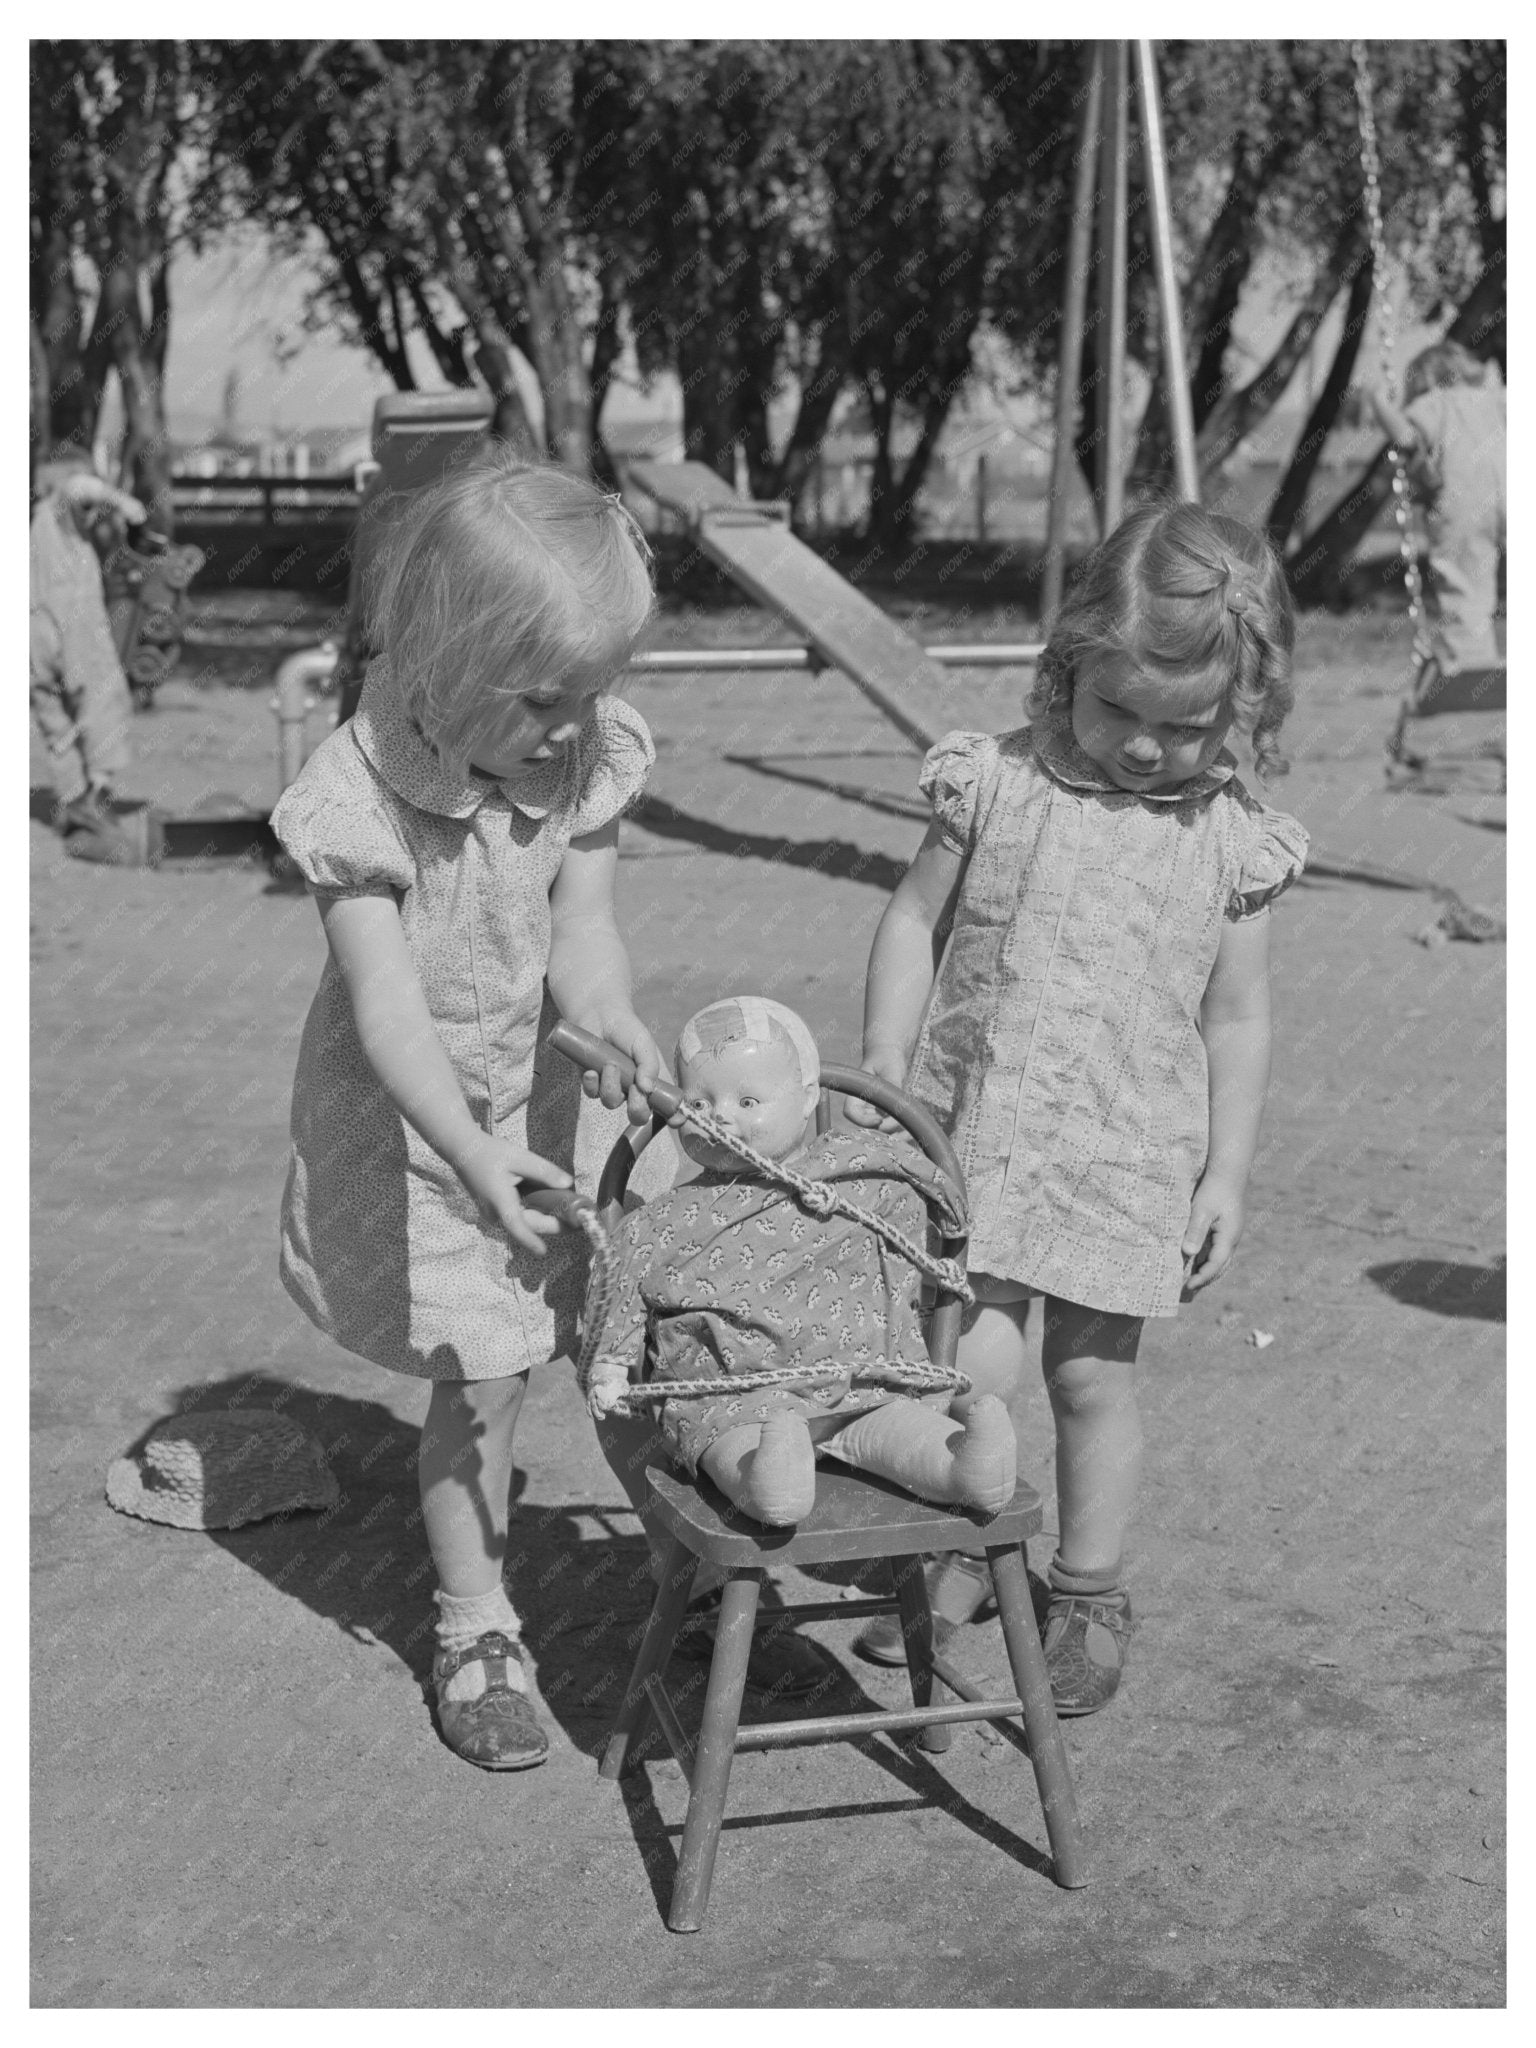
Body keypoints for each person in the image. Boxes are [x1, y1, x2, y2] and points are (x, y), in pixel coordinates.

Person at [850, 500, 1309, 1715]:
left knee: (1093, 1379)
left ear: (1242, 710)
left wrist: (1226, 1174)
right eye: (1121, 713)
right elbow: (911, 918)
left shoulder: (1230, 842)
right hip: (983, 1134)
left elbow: (1238, 1018)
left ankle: (1089, 1586)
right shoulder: (992, 782)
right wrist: (888, 1047)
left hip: (1129, 1155)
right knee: (972, 1363)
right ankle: (958, 1552)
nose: (1149, 749)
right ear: (1066, 667)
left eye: (1187, 726)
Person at [270, 453, 669, 1772]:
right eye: (545, 697)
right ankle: (476, 1624)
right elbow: (389, 1013)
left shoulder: (581, 756)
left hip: (539, 1094)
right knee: (484, 1377)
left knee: (613, 1334)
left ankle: (693, 1552)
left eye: (595, 691)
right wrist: (474, 1154)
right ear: (439, 660)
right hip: (425, 1126)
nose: (576, 725)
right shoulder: (361, 789)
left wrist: (605, 1015)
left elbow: (586, 930)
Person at [584, 997, 1017, 1526]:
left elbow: (929, 1180)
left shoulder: (850, 1167)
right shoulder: (666, 1219)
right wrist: (611, 1362)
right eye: (699, 1102)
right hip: (734, 1405)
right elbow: (620, 1276)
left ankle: (961, 1470)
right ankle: (766, 1478)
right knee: (733, 1446)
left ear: (808, 1097)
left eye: (748, 1101)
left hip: (864, 1384)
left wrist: (949, 1218)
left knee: (907, 1432)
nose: (720, 1116)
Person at [30, 451, 145, 861]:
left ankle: (73, 798)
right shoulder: (56, 512)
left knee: (51, 714)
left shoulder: (33, 525)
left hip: (32, 632)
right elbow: (79, 489)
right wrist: (125, 502)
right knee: (101, 701)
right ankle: (95, 794)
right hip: (71, 626)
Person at [1366, 341, 1506, 674]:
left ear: (1426, 379)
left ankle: (1474, 666)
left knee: (1465, 583)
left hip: (1465, 505)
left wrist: (1376, 401)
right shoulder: (1498, 397)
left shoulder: (1436, 403)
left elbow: (1405, 437)